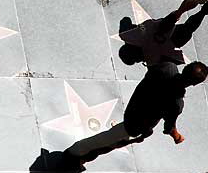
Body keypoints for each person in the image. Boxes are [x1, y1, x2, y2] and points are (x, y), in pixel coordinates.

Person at [65, 61, 208, 162]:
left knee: (122, 135)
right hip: (137, 124)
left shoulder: (167, 67)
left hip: (133, 106)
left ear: (186, 68)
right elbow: (169, 126)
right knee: (105, 140)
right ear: (194, 84)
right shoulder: (176, 103)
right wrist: (177, 136)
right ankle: (74, 151)